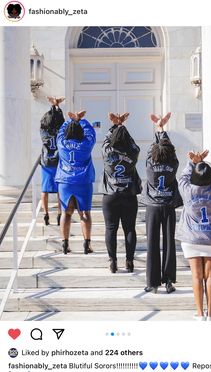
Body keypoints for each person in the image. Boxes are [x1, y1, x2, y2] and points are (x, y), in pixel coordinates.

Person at [177, 150, 211, 321]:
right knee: (210, 275)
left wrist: (194, 163)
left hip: (191, 238)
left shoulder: (187, 190)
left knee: (196, 276)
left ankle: (199, 313)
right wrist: (203, 164)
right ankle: (210, 314)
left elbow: (183, 177)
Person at [143, 112, 182, 294]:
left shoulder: (150, 165)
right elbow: (170, 151)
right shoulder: (173, 165)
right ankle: (168, 281)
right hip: (167, 205)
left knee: (152, 243)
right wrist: (163, 129)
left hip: (153, 205)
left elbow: (154, 149)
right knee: (169, 243)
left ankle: (152, 282)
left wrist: (158, 130)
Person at [100, 112, 142, 273]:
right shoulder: (133, 152)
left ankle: (113, 261)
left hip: (110, 195)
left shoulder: (107, 152)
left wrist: (114, 125)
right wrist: (122, 126)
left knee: (110, 228)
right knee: (129, 229)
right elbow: (133, 144)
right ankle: (129, 261)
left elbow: (105, 140)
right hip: (128, 194)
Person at [55, 110, 96, 255]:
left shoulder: (62, 144)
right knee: (84, 212)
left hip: (65, 181)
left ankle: (65, 244)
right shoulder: (86, 144)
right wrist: (81, 120)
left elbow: (60, 132)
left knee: (67, 212)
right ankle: (87, 244)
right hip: (83, 181)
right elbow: (91, 133)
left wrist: (69, 120)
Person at [40, 96, 65, 226]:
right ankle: (60, 213)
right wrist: (57, 107)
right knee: (60, 188)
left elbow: (48, 118)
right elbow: (60, 120)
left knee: (44, 190)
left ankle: (45, 213)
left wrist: (52, 107)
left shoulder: (43, 131)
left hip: (46, 161)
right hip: (59, 162)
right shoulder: (61, 131)